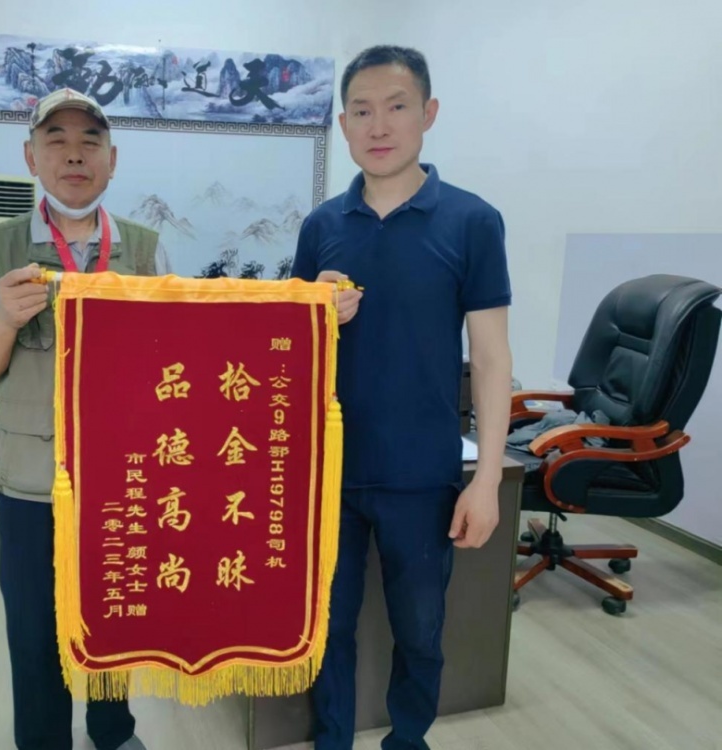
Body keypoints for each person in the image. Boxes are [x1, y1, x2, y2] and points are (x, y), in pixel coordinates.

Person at [292, 46, 512, 750]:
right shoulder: (321, 227)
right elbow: (288, 357)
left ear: (428, 114)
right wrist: (314, 311)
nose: (378, 125)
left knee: (420, 629)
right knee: (326, 627)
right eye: (361, 111)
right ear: (343, 124)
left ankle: (407, 741)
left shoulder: (473, 221)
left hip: (422, 473)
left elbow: (491, 360)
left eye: (396, 106)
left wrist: (486, 481)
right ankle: (331, 741)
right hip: (328, 472)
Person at [0, 88, 169, 750]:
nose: (74, 154)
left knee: (113, 619)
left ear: (112, 160)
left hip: (120, 481)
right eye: (57, 140)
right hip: (30, 484)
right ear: (31, 157)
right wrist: (4, 320)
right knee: (34, 633)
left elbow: (173, 366)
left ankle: (114, 732)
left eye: (89, 141)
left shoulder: (145, 250)